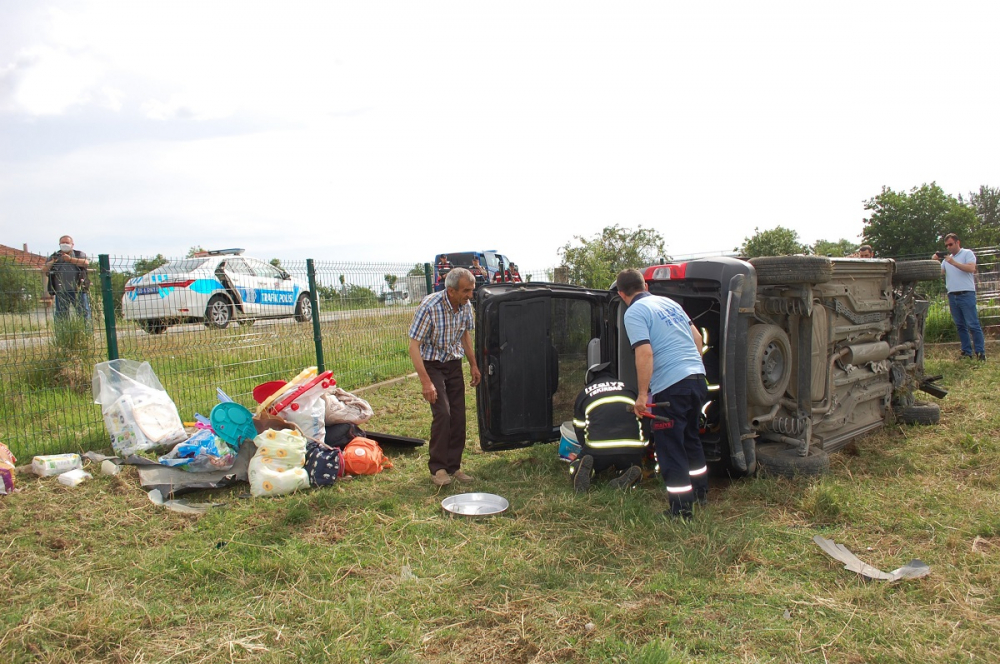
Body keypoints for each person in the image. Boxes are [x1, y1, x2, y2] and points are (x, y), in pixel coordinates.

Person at [617, 268, 708, 519]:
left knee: (670, 447)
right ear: (645, 284)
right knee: (691, 438)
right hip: (697, 379)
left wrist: (642, 396)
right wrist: (691, 367)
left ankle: (680, 511)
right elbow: (698, 338)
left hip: (672, 387)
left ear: (622, 293)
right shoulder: (669, 303)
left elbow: (644, 353)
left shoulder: (634, 312)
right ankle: (700, 494)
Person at [408, 268, 482, 486]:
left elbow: (465, 334)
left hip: (453, 363)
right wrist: (426, 382)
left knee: (458, 415)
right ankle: (438, 469)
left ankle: (454, 467)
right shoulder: (429, 307)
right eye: (466, 291)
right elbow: (414, 346)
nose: (470, 295)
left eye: (472, 290)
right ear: (450, 291)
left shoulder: (466, 306)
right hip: (432, 365)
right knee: (443, 414)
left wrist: (474, 365)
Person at [569, 363, 647, 492]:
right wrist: (642, 447)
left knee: (577, 462)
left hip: (598, 448)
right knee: (634, 466)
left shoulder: (585, 393)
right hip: (630, 447)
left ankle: (581, 470)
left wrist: (585, 447)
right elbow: (644, 420)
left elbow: (579, 426)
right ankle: (627, 472)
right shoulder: (629, 388)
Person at [935, 233, 985, 361]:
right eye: (946, 245)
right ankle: (967, 352)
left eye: (951, 244)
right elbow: (938, 273)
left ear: (958, 242)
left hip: (966, 293)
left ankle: (980, 352)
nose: (949, 247)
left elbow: (971, 268)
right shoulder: (947, 259)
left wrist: (953, 262)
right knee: (960, 326)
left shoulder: (967, 253)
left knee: (973, 324)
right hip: (953, 295)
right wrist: (934, 261)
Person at [42, 235, 92, 323]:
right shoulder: (54, 256)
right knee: (61, 315)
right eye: (63, 243)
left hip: (78, 290)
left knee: (83, 312)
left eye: (67, 243)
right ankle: (62, 334)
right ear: (59, 244)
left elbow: (86, 263)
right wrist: (54, 261)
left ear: (72, 245)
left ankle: (87, 333)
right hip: (60, 290)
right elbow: (44, 269)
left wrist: (70, 259)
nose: (65, 244)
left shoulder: (78, 254)